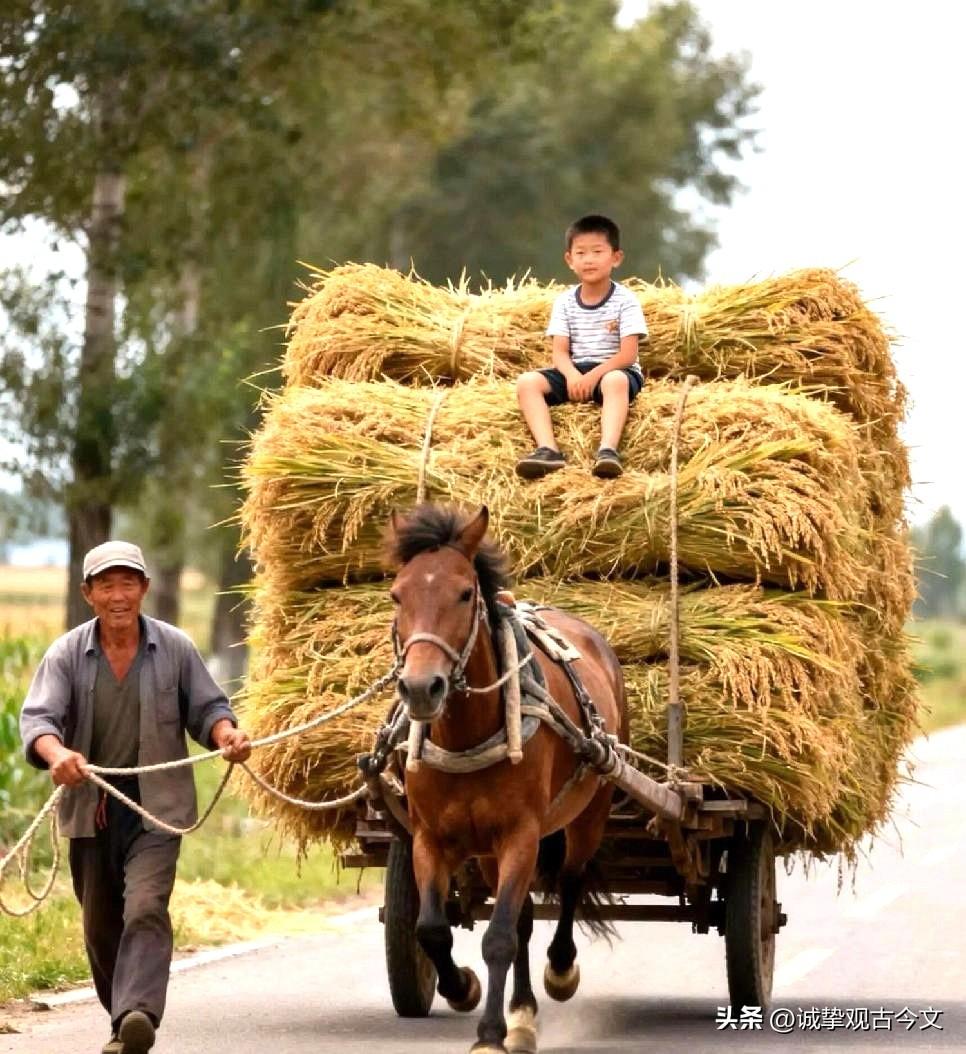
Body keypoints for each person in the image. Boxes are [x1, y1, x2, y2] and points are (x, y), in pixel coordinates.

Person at [19, 541, 252, 1054]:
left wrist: (227, 735)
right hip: (90, 804)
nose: (118, 595)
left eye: (128, 583)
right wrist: (56, 754)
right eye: (106, 585)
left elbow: (209, 709)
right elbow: (39, 720)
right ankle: (120, 1021)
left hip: (155, 806)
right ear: (88, 594)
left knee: (146, 907)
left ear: (145, 589)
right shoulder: (66, 654)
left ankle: (138, 1015)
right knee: (100, 925)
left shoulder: (174, 648)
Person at [515, 214, 649, 479]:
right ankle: (547, 449)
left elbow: (628, 354)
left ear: (616, 258)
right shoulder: (564, 302)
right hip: (576, 372)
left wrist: (593, 376)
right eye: (581, 253)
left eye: (598, 252)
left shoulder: (626, 300)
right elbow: (560, 352)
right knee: (527, 382)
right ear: (570, 260)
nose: (589, 259)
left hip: (614, 371)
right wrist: (573, 375)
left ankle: (608, 450)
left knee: (615, 383)